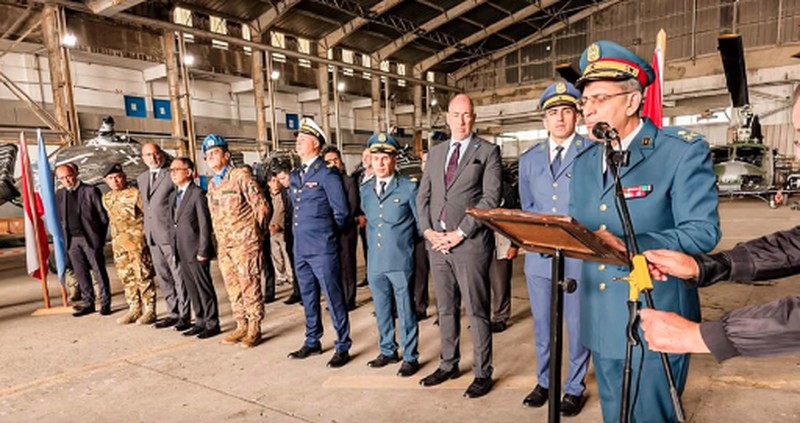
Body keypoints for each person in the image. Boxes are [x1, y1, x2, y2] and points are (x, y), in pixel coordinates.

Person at [569, 40, 721, 422]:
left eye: (599, 99)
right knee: (614, 415)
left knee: (652, 416)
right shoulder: (586, 162)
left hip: (656, 312)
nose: (588, 110)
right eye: (585, 101)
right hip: (601, 315)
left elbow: (702, 231)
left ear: (633, 101)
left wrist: (634, 245)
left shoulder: (680, 151)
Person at [416, 93, 502, 398]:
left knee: (477, 310)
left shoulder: (488, 151)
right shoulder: (436, 153)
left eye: (466, 115)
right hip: (437, 245)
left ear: (473, 117)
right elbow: (422, 196)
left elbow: (490, 199)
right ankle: (448, 363)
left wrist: (461, 233)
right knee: (446, 309)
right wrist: (427, 231)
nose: (461, 120)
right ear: (448, 117)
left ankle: (482, 372)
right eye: (456, 115)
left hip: (470, 245)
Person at [517, 81, 591, 416]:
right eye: (552, 113)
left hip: (578, 256)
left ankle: (574, 387)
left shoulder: (592, 152)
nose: (559, 118)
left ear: (577, 115)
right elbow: (527, 205)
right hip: (539, 258)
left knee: (576, 325)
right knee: (543, 325)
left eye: (565, 111)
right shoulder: (529, 159)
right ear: (544, 120)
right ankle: (544, 381)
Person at [286, 118, 352, 368]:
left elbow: (342, 213)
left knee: (333, 297)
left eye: (302, 139)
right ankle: (312, 340)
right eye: (297, 139)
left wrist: (326, 235)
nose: (298, 143)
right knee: (308, 296)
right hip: (300, 248)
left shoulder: (327, 174)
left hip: (322, 248)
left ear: (315, 144)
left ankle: (342, 345)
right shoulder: (297, 175)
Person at [360, 133, 421, 377]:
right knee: (382, 308)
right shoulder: (365, 189)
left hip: (399, 260)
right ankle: (387, 350)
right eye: (376, 158)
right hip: (375, 262)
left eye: (385, 158)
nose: (380, 163)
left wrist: (403, 245)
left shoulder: (409, 188)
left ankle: (410, 355)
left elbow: (419, 226)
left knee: (406, 310)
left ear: (394, 160)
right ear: (370, 160)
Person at [204, 134, 270, 348]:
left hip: (245, 244)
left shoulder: (240, 175)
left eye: (215, 153)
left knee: (249, 284)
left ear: (226, 155)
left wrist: (255, 236)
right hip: (225, 246)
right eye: (207, 155)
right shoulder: (213, 184)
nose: (211, 158)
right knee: (233, 288)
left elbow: (261, 207)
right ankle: (241, 324)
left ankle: (254, 328)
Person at [138, 143, 191, 331]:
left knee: (178, 275)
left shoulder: (171, 175)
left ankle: (185, 314)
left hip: (169, 234)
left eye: (155, 154)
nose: (152, 158)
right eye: (148, 155)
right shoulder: (142, 178)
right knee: (164, 276)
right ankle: (172, 313)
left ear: (161, 154)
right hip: (152, 236)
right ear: (143, 158)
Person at [168, 157, 221, 340]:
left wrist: (203, 250)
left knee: (203, 287)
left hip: (196, 250)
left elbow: (205, 225)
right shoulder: (175, 195)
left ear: (189, 172)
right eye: (171, 170)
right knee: (191, 288)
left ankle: (212, 323)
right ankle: (199, 321)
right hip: (181, 249)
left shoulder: (197, 194)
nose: (173, 173)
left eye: (177, 169)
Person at [101, 163, 156, 325]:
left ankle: (150, 310)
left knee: (143, 275)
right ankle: (134, 308)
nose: (115, 181)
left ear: (124, 177)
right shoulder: (107, 198)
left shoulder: (135, 194)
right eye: (111, 178)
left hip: (137, 244)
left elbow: (148, 216)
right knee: (126, 277)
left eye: (118, 177)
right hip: (119, 245)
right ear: (106, 181)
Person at [55, 163, 112, 317]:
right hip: (72, 241)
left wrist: (99, 238)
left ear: (75, 173)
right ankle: (88, 303)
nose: (66, 180)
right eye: (62, 178)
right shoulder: (60, 195)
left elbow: (103, 217)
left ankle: (105, 303)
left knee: (98, 271)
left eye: (68, 176)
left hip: (90, 239)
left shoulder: (90, 191)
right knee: (81, 273)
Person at [322, 145, 360, 310]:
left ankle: (349, 300)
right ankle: (337, 301)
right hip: (329, 233)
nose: (332, 164)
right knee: (332, 268)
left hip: (346, 231)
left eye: (335, 160)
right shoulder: (323, 183)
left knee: (347, 266)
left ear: (341, 162)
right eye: (328, 161)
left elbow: (351, 208)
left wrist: (337, 225)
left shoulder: (349, 182)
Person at [274, 162, 302, 305]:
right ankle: (298, 292)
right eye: (279, 180)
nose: (282, 182)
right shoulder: (284, 191)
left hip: (302, 232)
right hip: (289, 232)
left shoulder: (301, 187)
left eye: (284, 178)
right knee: (294, 263)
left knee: (304, 264)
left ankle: (308, 293)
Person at [266, 170, 294, 290]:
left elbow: (288, 212)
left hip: (283, 230)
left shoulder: (285, 194)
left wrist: (280, 226)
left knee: (287, 254)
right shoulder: (265, 196)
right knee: (276, 255)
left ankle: (291, 276)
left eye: (278, 181)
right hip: (270, 231)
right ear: (268, 183)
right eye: (273, 181)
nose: (276, 184)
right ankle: (281, 276)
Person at [351, 147, 373, 288]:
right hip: (362, 219)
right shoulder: (357, 176)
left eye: (369, 156)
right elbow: (354, 197)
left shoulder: (380, 175)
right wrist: (358, 214)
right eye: (364, 156)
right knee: (366, 248)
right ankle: (369, 275)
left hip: (376, 219)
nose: (365, 158)